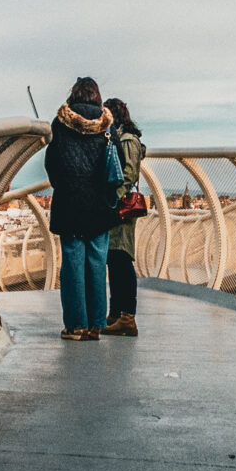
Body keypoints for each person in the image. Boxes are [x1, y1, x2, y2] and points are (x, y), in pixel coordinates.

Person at [44, 76, 116, 341]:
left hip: (70, 203)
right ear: (97, 96)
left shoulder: (60, 124)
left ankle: (76, 326)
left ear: (73, 94)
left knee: (73, 265)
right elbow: (115, 162)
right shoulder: (108, 126)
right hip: (100, 205)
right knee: (97, 263)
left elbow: (52, 163)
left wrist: (63, 185)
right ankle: (97, 323)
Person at [103, 98, 146, 337]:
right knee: (114, 260)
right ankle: (116, 314)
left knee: (121, 260)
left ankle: (127, 317)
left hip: (121, 209)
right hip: (118, 208)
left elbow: (128, 174)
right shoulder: (122, 138)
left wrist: (113, 199)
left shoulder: (127, 140)